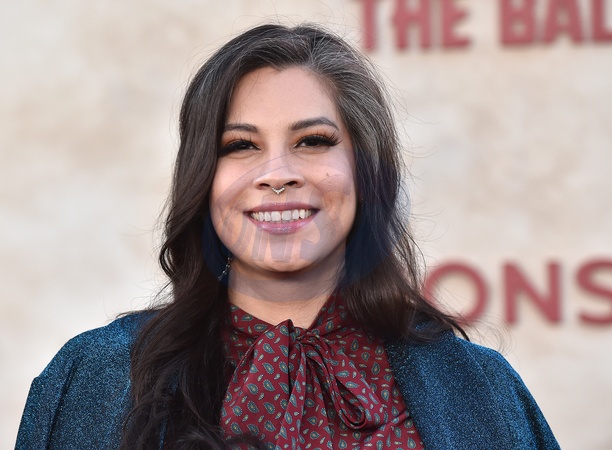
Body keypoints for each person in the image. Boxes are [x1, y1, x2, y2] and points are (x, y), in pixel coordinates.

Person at [16, 23, 560, 449]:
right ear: (202, 179)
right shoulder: (95, 377)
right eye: (240, 146)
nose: (277, 174)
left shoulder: (481, 389)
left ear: (366, 170)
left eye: (313, 141)